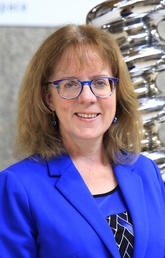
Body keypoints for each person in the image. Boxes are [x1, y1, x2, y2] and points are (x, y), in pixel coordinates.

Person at [0, 24, 165, 258]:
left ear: (116, 92)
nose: (87, 97)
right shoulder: (17, 187)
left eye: (99, 82)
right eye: (70, 84)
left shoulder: (146, 171)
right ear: (49, 99)